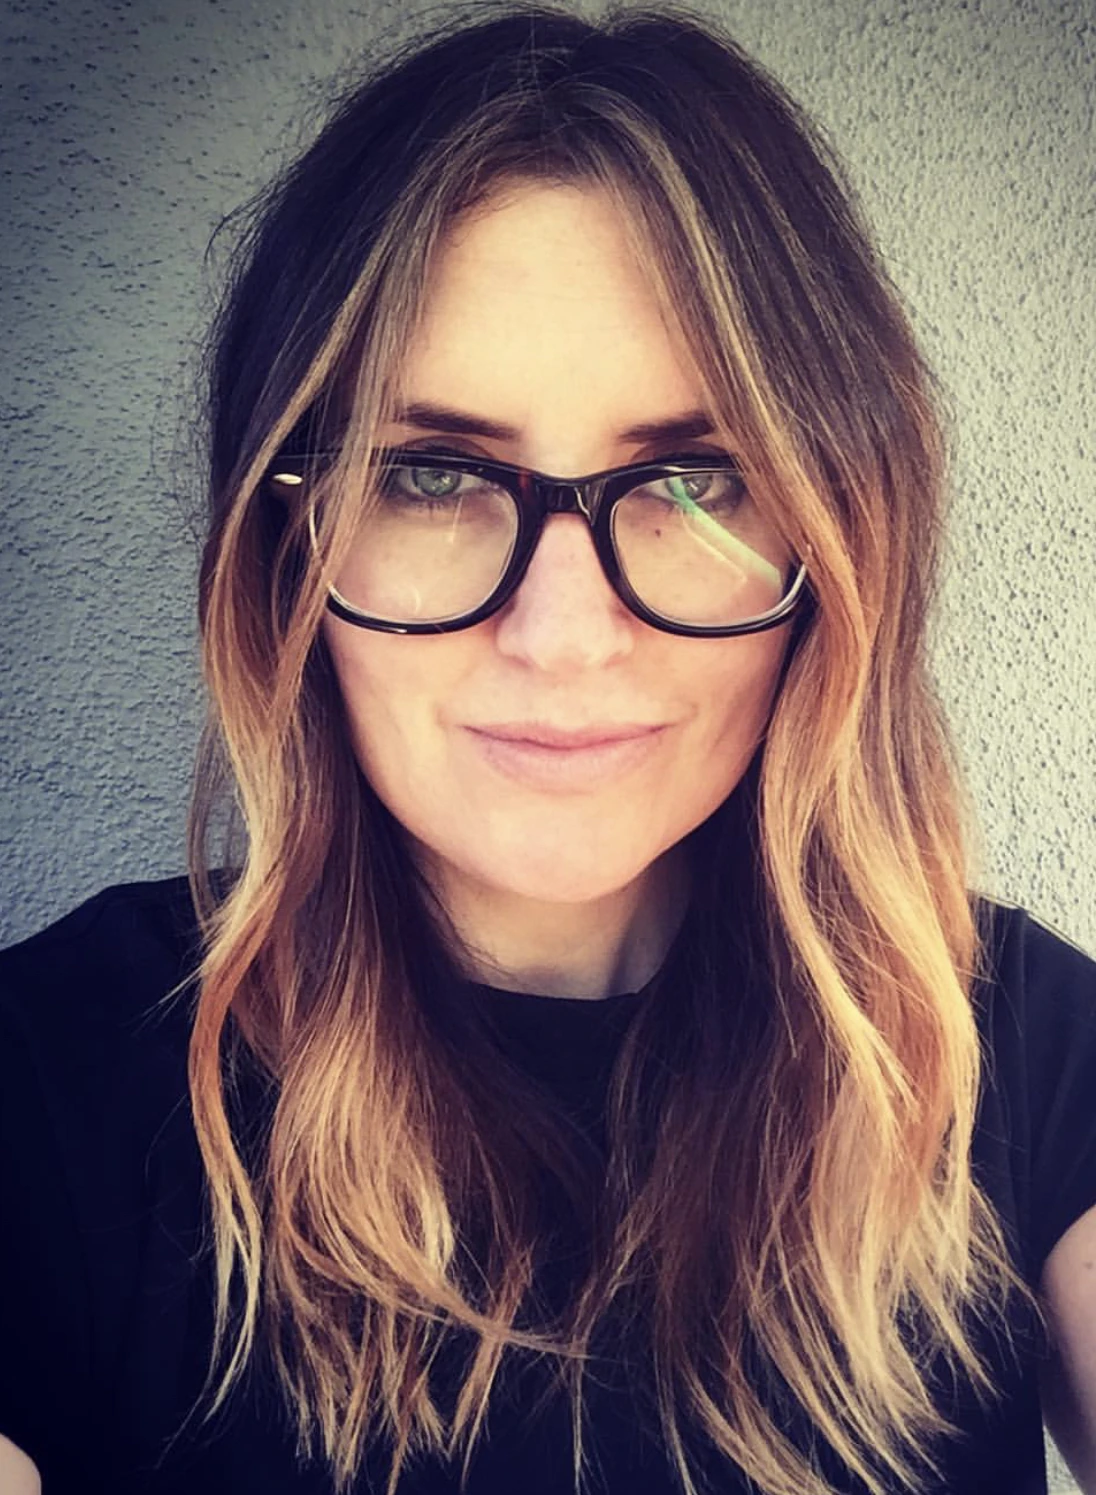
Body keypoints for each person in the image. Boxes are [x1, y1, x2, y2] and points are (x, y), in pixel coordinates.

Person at [1, 5, 1094, 1494]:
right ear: (283, 544)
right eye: (430, 474)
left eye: (696, 477)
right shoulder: (58, 1086)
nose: (565, 635)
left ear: (843, 543)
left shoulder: (1009, 1051)